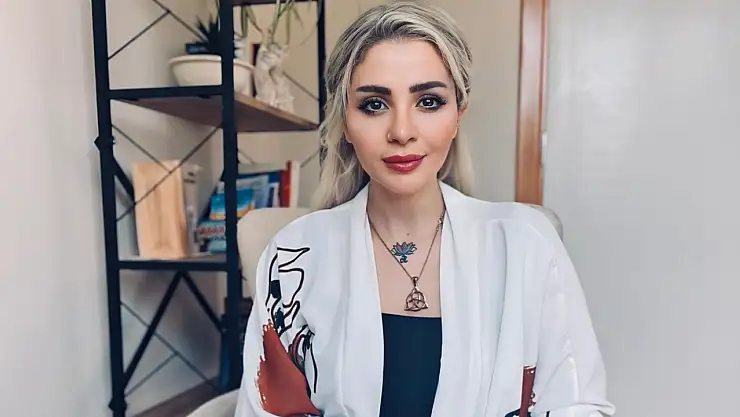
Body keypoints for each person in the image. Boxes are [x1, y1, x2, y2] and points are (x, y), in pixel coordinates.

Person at [234, 2, 615, 416]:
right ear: (345, 121)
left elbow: (576, 404)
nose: (402, 132)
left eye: (429, 101)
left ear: (458, 114)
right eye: (374, 104)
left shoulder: (525, 243)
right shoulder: (295, 255)